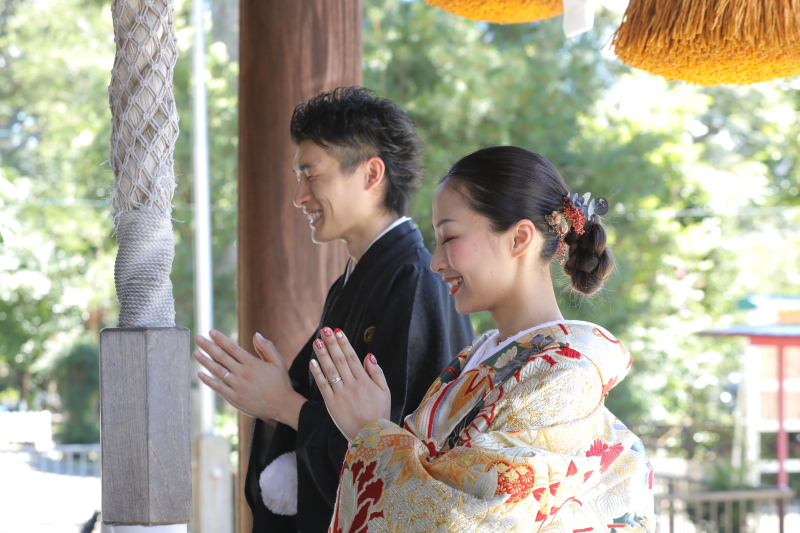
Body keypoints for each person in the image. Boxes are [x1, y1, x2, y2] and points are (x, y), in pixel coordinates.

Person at [309, 146, 655, 532]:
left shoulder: (566, 373)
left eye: (449, 237)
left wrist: (372, 433)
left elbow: (476, 520)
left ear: (519, 239)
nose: (435, 261)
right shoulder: (480, 355)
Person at [193, 87, 474, 533]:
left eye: (311, 175)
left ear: (371, 173)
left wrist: (284, 403)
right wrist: (273, 397)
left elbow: (400, 447)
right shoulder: (356, 278)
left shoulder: (414, 278)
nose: (299, 195)